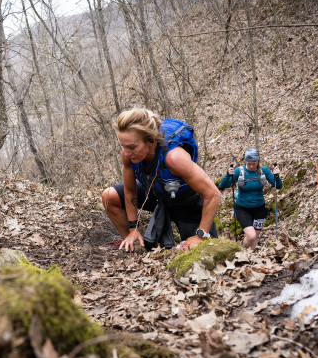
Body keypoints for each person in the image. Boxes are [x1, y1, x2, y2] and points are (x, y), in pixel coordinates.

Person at [102, 108, 220, 252]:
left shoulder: (174, 157)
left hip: (187, 202)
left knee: (200, 253)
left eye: (132, 147)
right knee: (109, 196)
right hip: (159, 195)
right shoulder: (128, 155)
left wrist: (201, 235)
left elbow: (213, 194)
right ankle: (132, 244)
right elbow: (130, 191)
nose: (126, 153)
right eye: (123, 146)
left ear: (151, 140)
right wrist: (133, 228)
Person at [217, 148, 282, 249]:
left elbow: (278, 186)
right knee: (251, 236)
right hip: (243, 208)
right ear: (245, 162)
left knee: (254, 237)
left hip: (259, 208)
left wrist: (277, 176)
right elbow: (223, 185)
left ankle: (251, 258)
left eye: (254, 164)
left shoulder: (263, 170)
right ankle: (245, 255)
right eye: (249, 164)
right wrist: (228, 174)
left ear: (258, 161)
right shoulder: (239, 171)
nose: (251, 166)